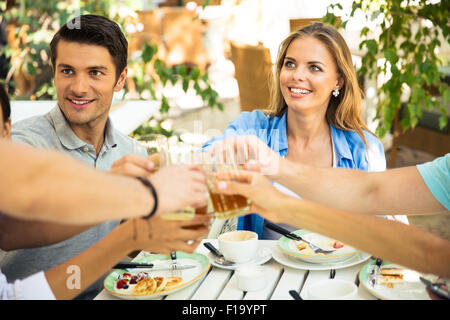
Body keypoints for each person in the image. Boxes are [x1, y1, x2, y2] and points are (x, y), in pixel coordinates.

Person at [0, 14, 200, 299]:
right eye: (67, 71)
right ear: (54, 73)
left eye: (95, 73)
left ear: (120, 80)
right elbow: (10, 231)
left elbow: (129, 241)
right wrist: (108, 189)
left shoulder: (132, 151)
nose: (79, 87)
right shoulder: (21, 146)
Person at [203, 22, 387, 239]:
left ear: (338, 81)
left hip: (339, 269)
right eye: (290, 64)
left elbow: (378, 231)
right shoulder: (254, 128)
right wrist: (222, 158)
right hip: (264, 270)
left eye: (314, 67)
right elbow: (206, 158)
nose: (297, 75)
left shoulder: (364, 149)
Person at [213, 136, 450, 278]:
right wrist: (277, 166)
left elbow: (428, 253)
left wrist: (284, 206)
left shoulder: (362, 144)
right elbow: (370, 190)